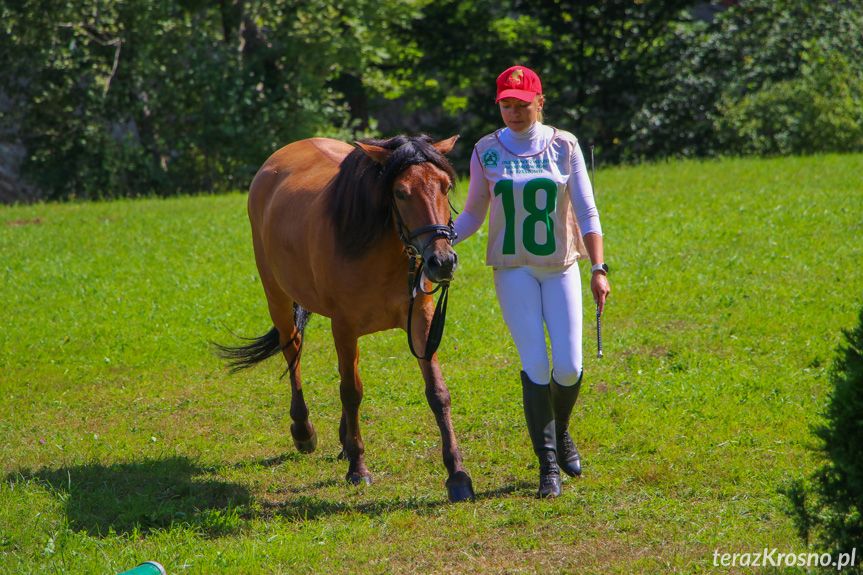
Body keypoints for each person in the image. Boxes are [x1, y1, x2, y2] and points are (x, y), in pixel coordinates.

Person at [453, 65, 611, 498]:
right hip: (513, 268)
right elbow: (472, 214)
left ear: (540, 102)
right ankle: (547, 466)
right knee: (536, 365)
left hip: (561, 266)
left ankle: (560, 433)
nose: (513, 112)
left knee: (570, 366)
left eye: (522, 104)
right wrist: (440, 236)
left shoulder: (564, 145)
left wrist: (598, 268)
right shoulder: (486, 150)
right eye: (506, 104)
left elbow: (587, 210)